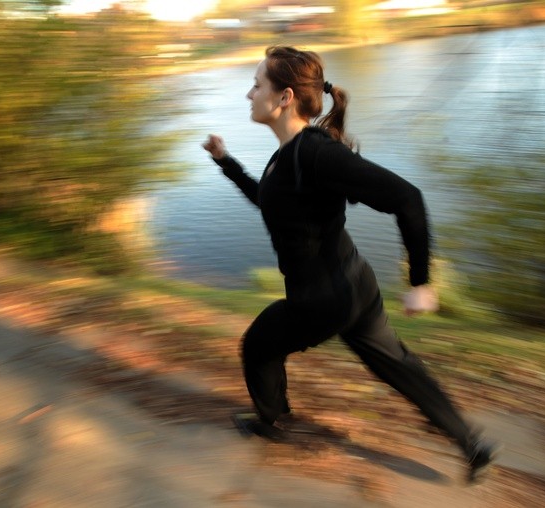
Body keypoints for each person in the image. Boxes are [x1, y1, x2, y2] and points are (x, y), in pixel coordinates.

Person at [202, 46, 497, 483]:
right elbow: (269, 200)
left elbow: (407, 198)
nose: (249, 94)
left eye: (256, 85)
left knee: (258, 346)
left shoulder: (315, 154)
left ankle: (272, 421)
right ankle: (470, 444)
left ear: (284, 97)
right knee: (395, 363)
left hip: (320, 300)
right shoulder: (291, 155)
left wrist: (420, 282)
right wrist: (226, 162)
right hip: (356, 285)